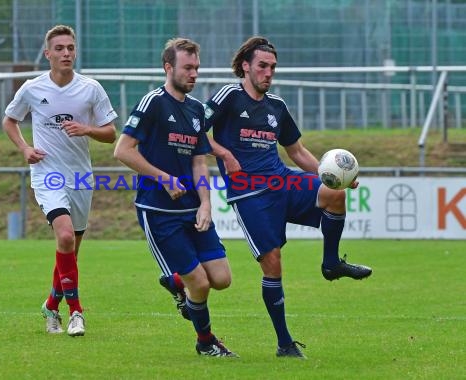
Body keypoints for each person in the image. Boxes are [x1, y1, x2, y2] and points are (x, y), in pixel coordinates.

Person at [203, 36, 373, 359]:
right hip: (250, 194)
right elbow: (195, 128)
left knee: (334, 195)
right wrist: (223, 153)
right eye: (263, 67)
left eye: (273, 68)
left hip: (282, 182)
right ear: (246, 66)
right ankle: (284, 344)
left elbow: (296, 150)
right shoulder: (228, 96)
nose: (268, 73)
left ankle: (331, 263)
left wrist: (334, 174)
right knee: (273, 264)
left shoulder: (276, 107)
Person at [114, 37, 237, 357]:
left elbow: (199, 161)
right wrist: (164, 178)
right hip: (158, 211)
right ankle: (205, 342)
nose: (194, 74)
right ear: (168, 68)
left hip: (192, 209)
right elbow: (122, 150)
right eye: (187, 68)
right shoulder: (153, 102)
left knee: (221, 279)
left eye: (197, 67)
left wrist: (207, 203)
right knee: (201, 283)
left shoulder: (197, 110)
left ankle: (176, 282)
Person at [2, 25, 118, 336]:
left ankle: (51, 305)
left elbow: (111, 134)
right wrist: (25, 147)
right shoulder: (32, 88)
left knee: (71, 250)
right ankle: (76, 312)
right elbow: (9, 120)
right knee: (65, 237)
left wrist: (87, 129)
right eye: (60, 48)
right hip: (48, 175)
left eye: (70, 47)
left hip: (80, 177)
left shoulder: (90, 88)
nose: (66, 53)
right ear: (48, 53)